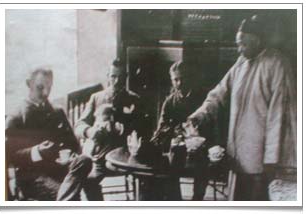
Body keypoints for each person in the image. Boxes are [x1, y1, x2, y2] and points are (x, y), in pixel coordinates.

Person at [188, 15, 297, 201]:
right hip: (238, 152)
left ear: (258, 40)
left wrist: (271, 159)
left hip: (261, 156)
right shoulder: (241, 62)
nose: (240, 49)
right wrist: (199, 115)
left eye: (243, 44)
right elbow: (219, 93)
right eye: (238, 44)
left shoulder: (277, 63)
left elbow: (279, 116)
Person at [5, 68, 92, 201]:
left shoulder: (57, 111)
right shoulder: (16, 116)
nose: (46, 93)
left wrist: (71, 156)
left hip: (61, 170)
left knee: (84, 160)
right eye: (40, 87)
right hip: (33, 176)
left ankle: (65, 197)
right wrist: (37, 151)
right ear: (29, 84)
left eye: (49, 87)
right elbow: (9, 155)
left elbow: (73, 143)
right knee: (71, 194)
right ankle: (65, 199)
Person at [75, 59, 141, 200]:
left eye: (121, 77)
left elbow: (142, 128)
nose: (116, 81)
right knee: (89, 181)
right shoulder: (96, 98)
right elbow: (79, 124)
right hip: (100, 156)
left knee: (145, 181)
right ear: (108, 77)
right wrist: (89, 131)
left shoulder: (134, 99)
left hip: (125, 157)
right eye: (113, 76)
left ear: (126, 78)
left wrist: (125, 129)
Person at [150, 61, 213, 200]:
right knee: (171, 165)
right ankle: (176, 201)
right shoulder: (170, 101)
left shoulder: (202, 97)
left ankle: (197, 200)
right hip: (178, 143)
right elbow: (163, 126)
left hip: (200, 143)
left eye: (182, 78)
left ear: (190, 77)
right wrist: (174, 132)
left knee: (201, 164)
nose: (179, 83)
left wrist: (197, 134)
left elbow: (211, 122)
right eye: (175, 79)